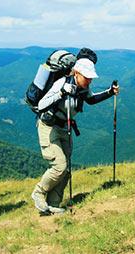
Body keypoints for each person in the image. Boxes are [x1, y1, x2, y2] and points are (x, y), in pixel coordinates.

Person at [31, 58, 119, 215]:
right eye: (87, 76)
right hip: (48, 127)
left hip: (65, 127)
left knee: (65, 170)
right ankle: (38, 193)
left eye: (91, 77)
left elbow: (91, 100)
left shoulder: (83, 88)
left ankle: (53, 205)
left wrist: (110, 92)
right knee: (59, 166)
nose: (89, 80)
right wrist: (61, 92)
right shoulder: (62, 83)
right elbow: (41, 106)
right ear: (77, 73)